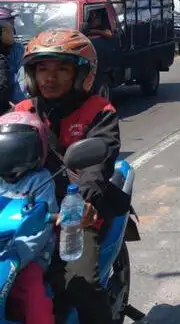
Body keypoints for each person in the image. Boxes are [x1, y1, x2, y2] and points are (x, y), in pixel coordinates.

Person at [14, 28, 122, 324]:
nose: (50, 77)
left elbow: (99, 163)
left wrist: (83, 202)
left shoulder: (99, 110)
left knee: (80, 284)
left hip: (73, 212)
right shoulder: (22, 112)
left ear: (81, 74)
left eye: (62, 68)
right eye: (42, 69)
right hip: (25, 209)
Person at [0, 110, 58, 324]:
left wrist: (16, 257)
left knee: (32, 291)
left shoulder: (40, 181)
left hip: (28, 255)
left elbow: (39, 230)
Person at [0, 8, 25, 112]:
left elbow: (23, 83)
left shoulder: (17, 50)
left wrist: (20, 106)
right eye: (10, 26)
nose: (14, 32)